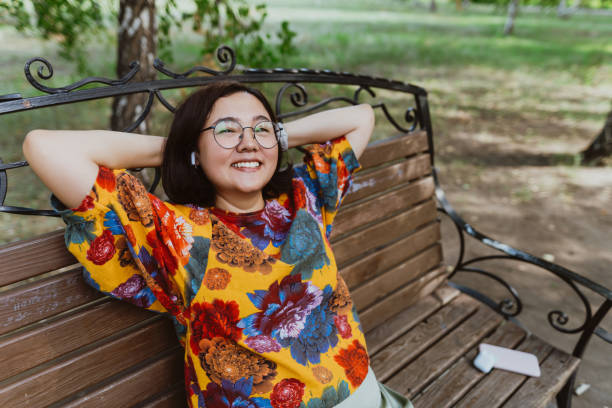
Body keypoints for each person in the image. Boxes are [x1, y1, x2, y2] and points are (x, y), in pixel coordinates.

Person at [22, 81, 414, 408]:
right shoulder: (178, 233)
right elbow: (45, 147)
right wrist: (184, 147)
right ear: (195, 148)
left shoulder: (304, 197)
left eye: (262, 128)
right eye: (227, 130)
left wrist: (266, 138)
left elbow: (361, 118)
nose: (247, 143)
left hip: (368, 394)